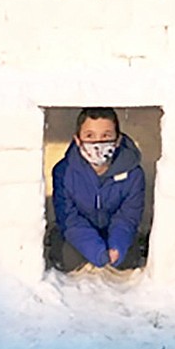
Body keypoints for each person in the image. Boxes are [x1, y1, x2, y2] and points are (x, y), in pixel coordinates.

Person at [50, 108, 146, 272]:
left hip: (114, 232)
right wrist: (95, 250)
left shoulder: (133, 173)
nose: (98, 143)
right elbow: (69, 218)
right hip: (79, 234)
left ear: (117, 140)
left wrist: (117, 246)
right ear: (78, 140)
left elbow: (128, 216)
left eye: (106, 136)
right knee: (69, 260)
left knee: (128, 261)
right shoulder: (64, 172)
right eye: (90, 136)